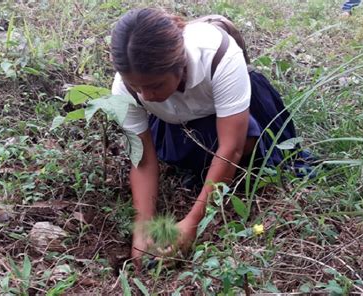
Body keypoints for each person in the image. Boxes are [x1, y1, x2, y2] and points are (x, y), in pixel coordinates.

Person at [110, 8, 305, 267]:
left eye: (155, 85)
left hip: (233, 118)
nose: (145, 96)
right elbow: (143, 160)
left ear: (179, 64)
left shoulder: (218, 54)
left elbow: (230, 147)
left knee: (248, 147)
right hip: (180, 118)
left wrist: (193, 222)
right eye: (137, 87)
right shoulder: (126, 87)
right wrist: (142, 227)